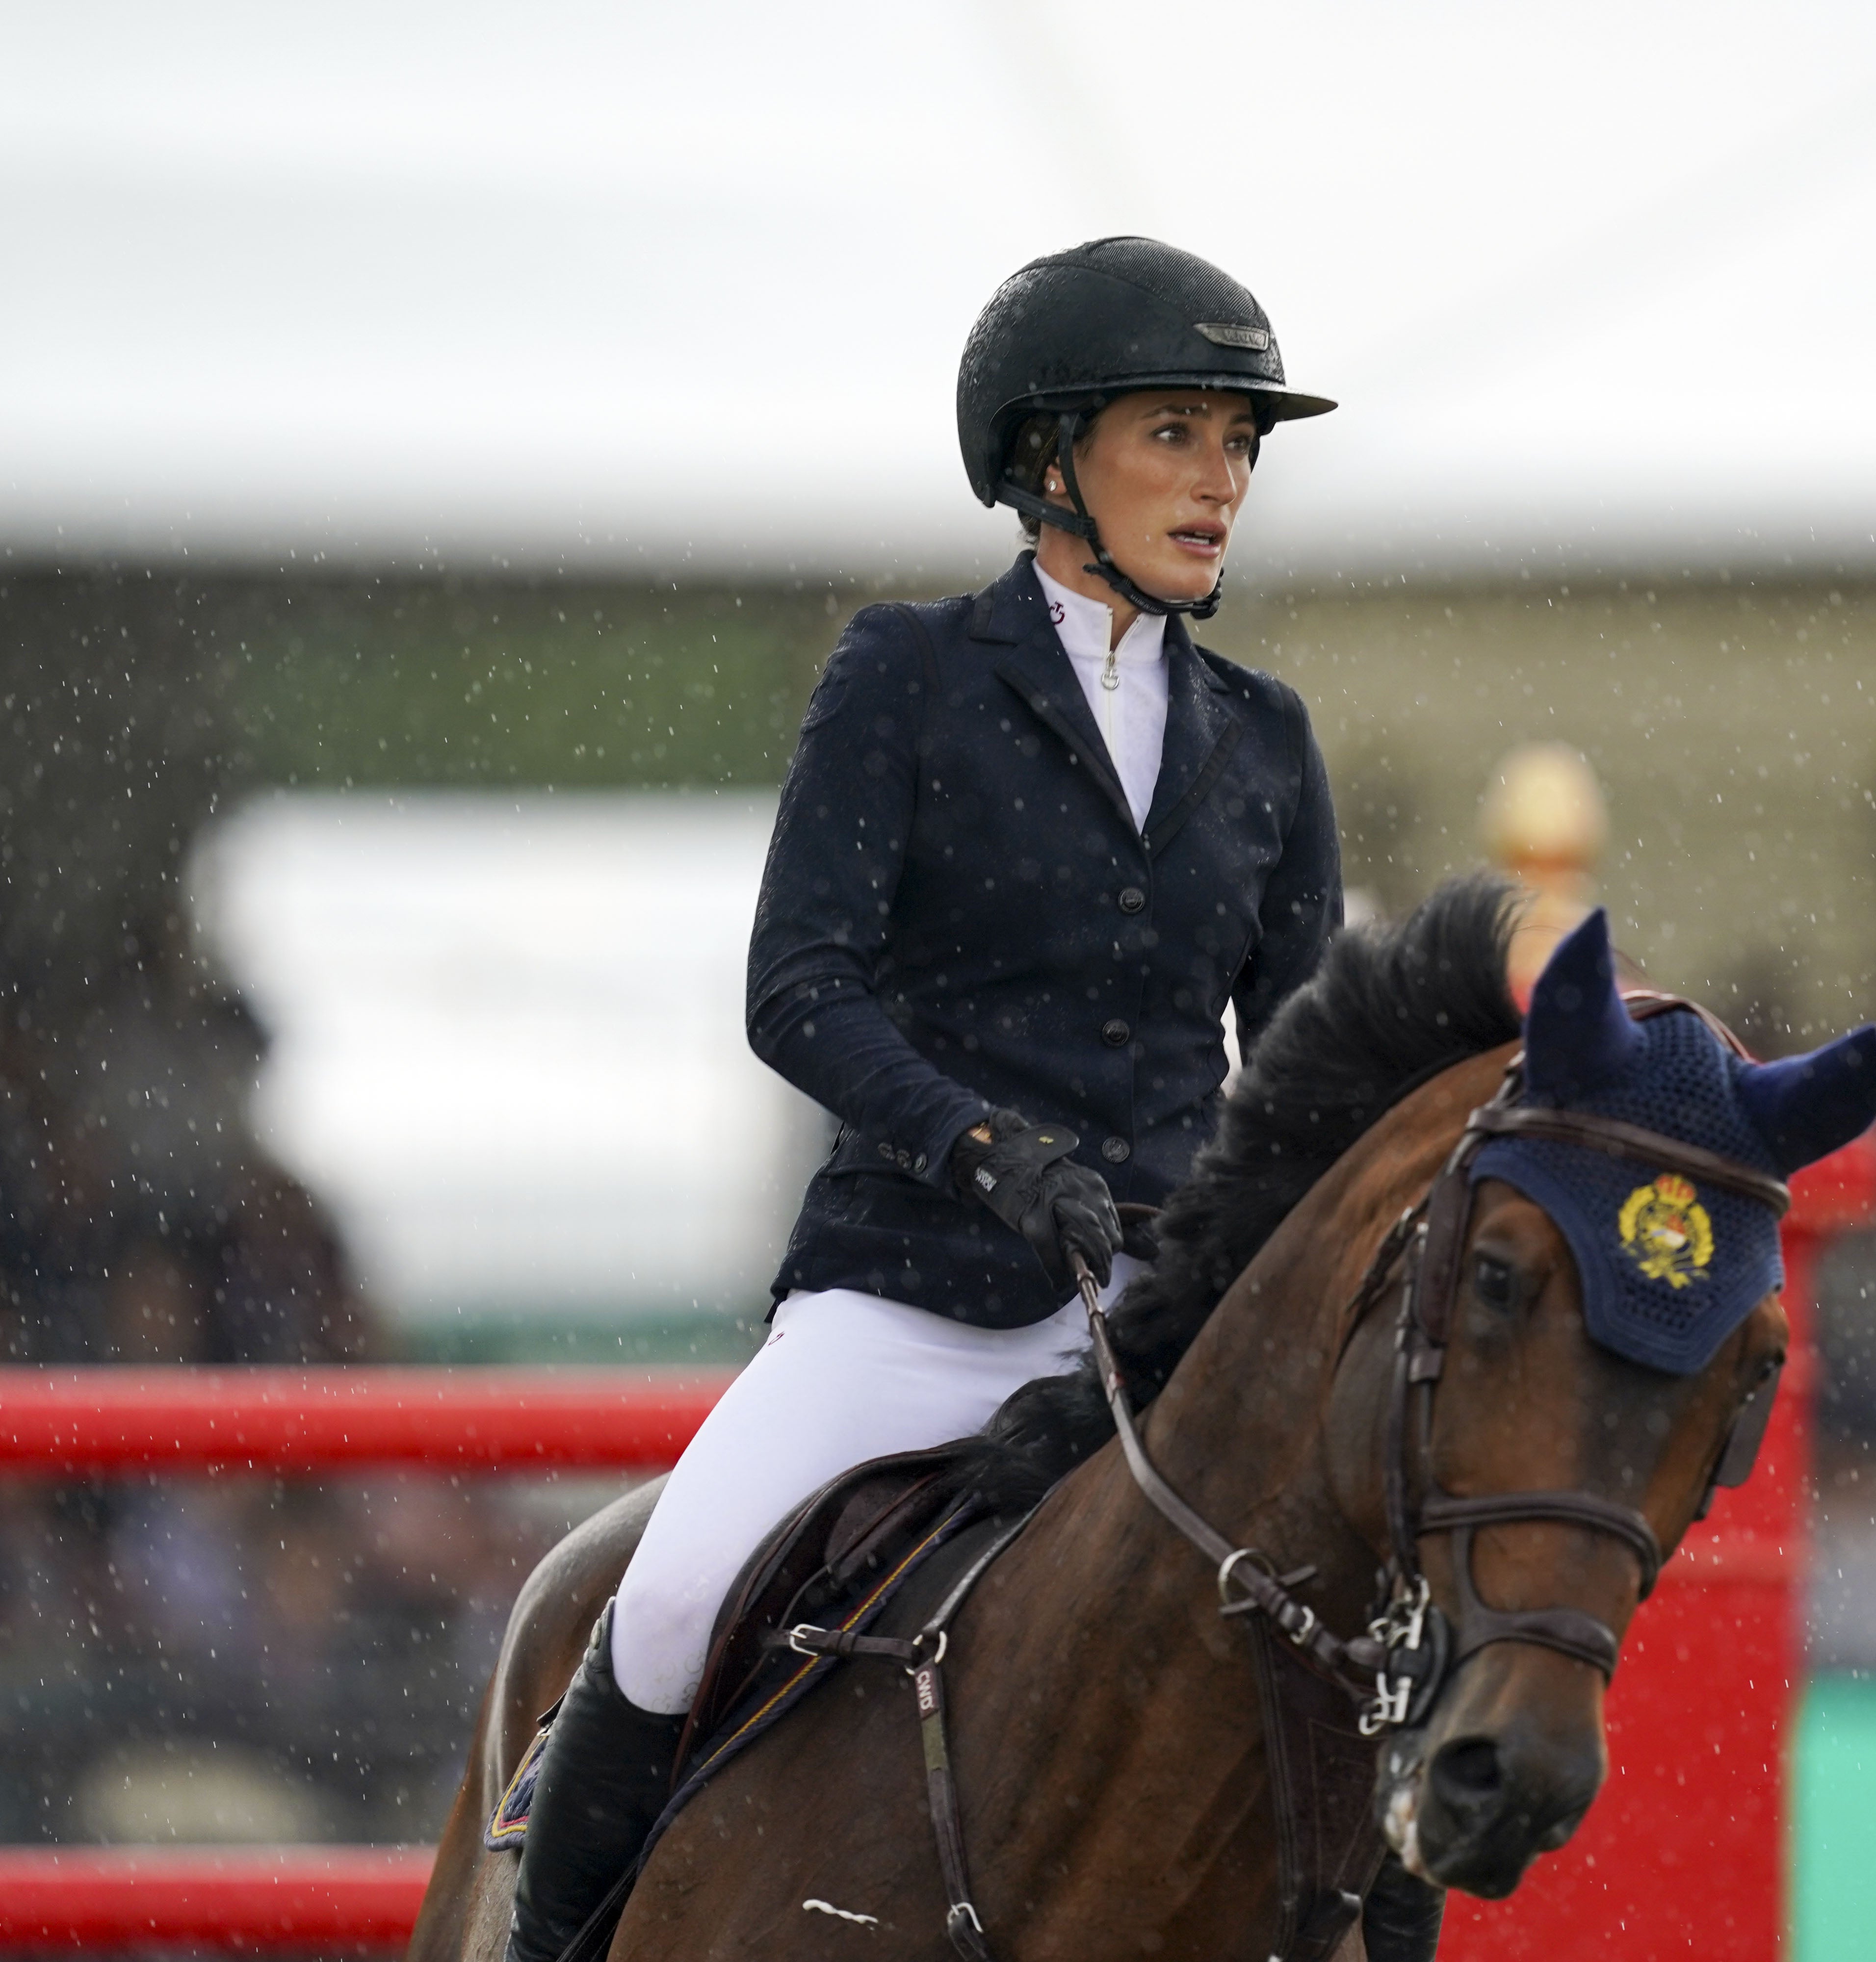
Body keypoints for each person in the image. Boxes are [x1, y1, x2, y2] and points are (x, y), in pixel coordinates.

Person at [506, 237, 1343, 1962]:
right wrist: (988, 1149)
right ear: (1051, 459)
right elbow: (797, 989)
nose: (1223, 479)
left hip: (1157, 1332)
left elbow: (1309, 1071)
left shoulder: (1268, 739)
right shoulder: (907, 675)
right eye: (1178, 433)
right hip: (914, 1294)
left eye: (1242, 444)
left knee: (1363, 1647)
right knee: (662, 1603)